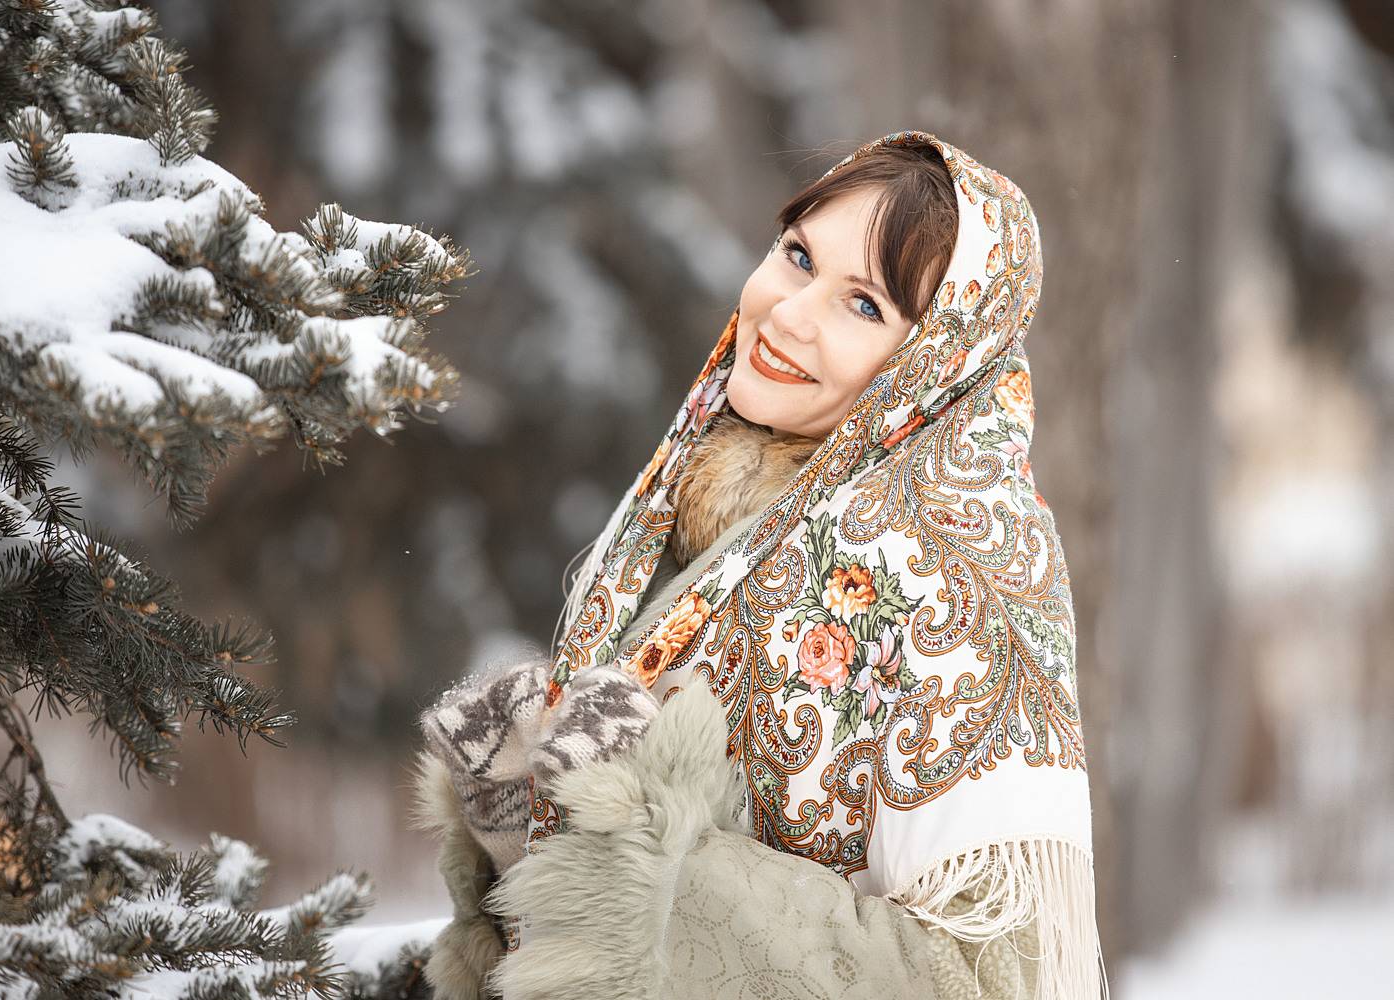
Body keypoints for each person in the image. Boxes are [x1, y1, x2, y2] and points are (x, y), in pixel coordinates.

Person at [413, 130, 1107, 1000]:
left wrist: (647, 868)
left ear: (934, 360)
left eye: (865, 306)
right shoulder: (697, 502)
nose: (790, 314)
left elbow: (989, 979)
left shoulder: (955, 570)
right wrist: (524, 829)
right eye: (798, 256)